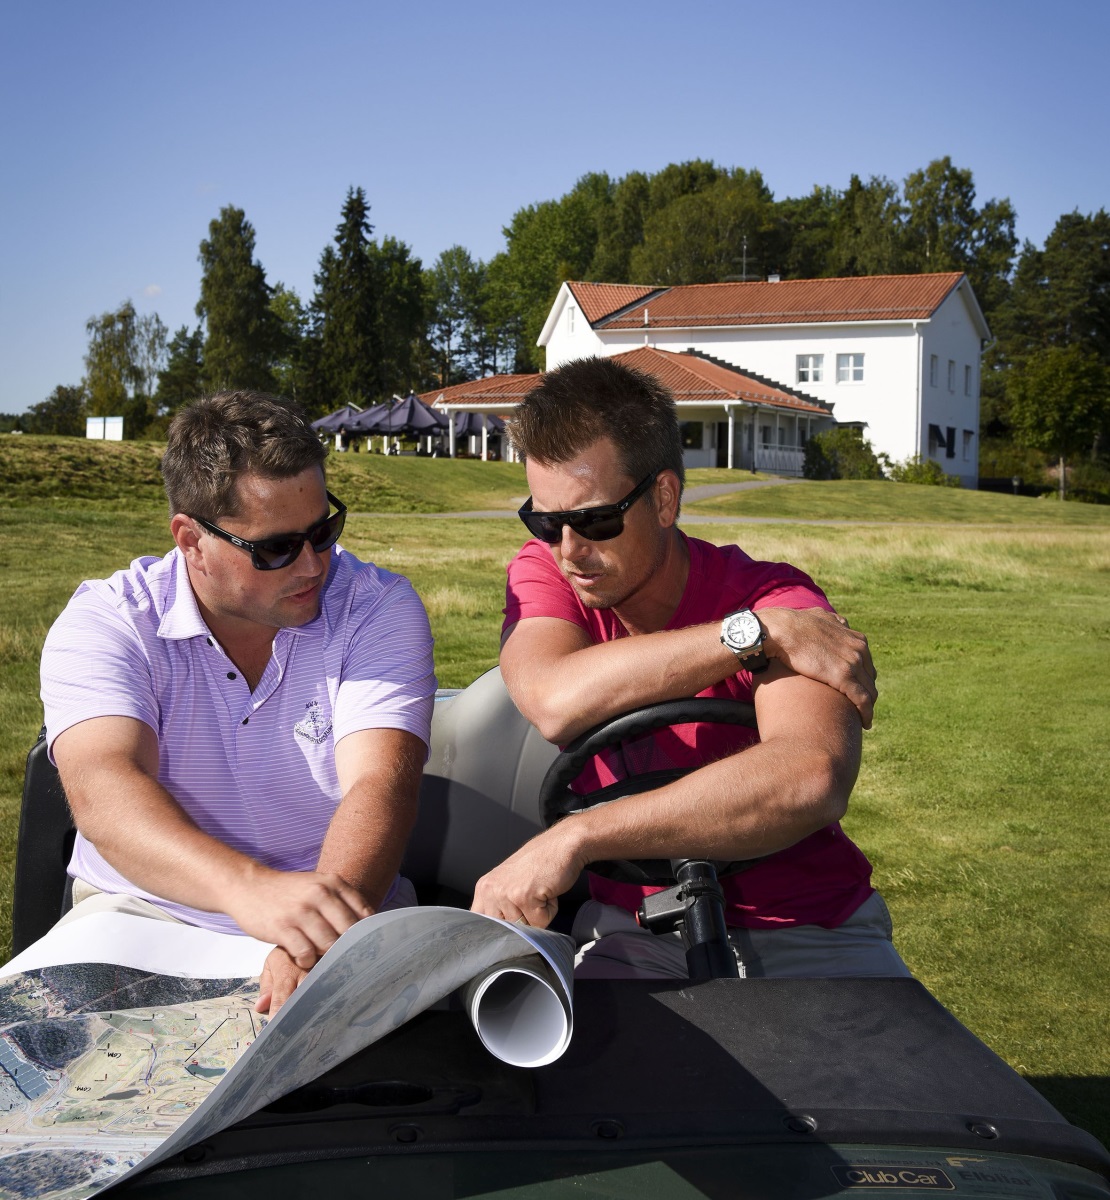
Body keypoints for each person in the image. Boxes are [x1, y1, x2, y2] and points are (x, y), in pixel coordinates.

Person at [471, 357, 909, 980]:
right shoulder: (552, 571)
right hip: (638, 928)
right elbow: (552, 699)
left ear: (666, 497)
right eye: (545, 520)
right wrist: (755, 636)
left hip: (810, 928)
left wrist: (580, 835)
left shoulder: (781, 597)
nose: (570, 550)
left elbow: (811, 778)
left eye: (596, 519)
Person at [40, 391, 435, 1014]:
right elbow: (104, 790)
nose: (314, 564)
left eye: (324, 530)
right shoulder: (110, 620)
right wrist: (249, 892)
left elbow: (381, 785)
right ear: (191, 540)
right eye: (277, 548)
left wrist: (309, 930)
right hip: (147, 918)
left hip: (343, 909)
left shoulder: (375, 607)